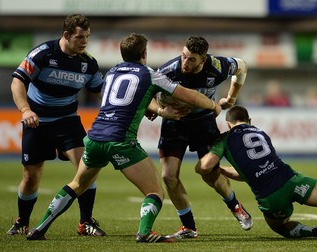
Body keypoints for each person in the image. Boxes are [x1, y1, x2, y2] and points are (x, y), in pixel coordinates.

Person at [26, 33, 222, 243]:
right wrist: (213, 105)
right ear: (144, 53)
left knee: (76, 184)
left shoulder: (111, 73)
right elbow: (189, 95)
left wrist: (162, 111)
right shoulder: (150, 74)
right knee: (155, 191)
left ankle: (39, 228)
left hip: (95, 138)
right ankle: (145, 233)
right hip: (121, 141)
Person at [196, 105, 317, 240]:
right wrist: (223, 170)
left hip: (269, 198)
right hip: (291, 181)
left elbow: (206, 167)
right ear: (250, 120)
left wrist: (210, 167)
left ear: (228, 125)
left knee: (282, 228)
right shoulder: (260, 132)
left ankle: (315, 231)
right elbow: (251, 169)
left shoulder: (225, 139)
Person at [8, 14, 106, 236]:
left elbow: (101, 91)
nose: (84, 42)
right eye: (80, 37)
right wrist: (26, 110)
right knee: (31, 177)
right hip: (37, 122)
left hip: (67, 121)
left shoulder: (88, 63)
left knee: (87, 168)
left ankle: (85, 222)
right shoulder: (43, 54)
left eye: (87, 37)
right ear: (66, 35)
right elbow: (17, 81)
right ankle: (22, 221)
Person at [157, 35, 252, 239]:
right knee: (168, 176)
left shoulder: (218, 66)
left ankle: (236, 206)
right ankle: (189, 227)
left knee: (210, 173)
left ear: (203, 60)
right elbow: (148, 94)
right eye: (183, 56)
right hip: (175, 122)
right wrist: (158, 110)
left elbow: (242, 66)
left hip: (203, 123)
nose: (185, 62)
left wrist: (232, 97)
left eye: (191, 59)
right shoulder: (168, 71)